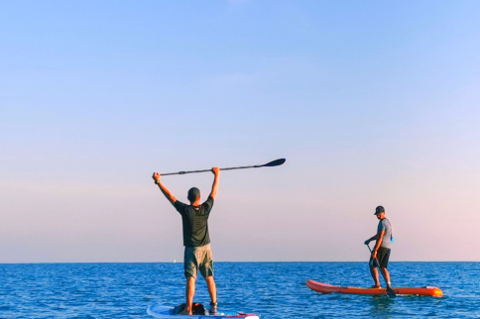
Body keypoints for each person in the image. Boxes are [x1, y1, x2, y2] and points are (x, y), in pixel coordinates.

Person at [152, 167, 220, 315]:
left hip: (192, 250)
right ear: (199, 198)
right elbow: (214, 192)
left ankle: (189, 310)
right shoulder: (205, 208)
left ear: (189, 198)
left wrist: (158, 182)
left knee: (191, 279)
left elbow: (170, 196)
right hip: (207, 248)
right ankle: (214, 306)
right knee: (209, 277)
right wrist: (217, 175)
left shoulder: (185, 210)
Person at [364, 205, 395, 296]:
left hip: (381, 247)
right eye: (377, 214)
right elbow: (381, 235)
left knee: (372, 264)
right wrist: (369, 240)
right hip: (388, 248)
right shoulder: (388, 222)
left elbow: (380, 237)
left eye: (379, 214)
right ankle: (389, 286)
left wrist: (375, 250)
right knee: (383, 267)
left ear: (384, 213)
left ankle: (377, 285)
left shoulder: (382, 223)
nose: (378, 216)